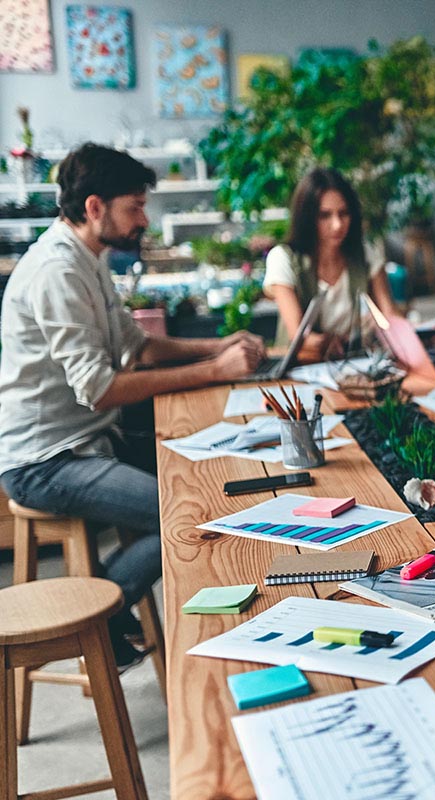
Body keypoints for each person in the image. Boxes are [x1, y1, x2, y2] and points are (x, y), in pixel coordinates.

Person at [0, 143, 266, 665]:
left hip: (89, 443)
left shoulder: (89, 259)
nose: (144, 218)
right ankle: (102, 611)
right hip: (46, 461)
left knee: (208, 481)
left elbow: (138, 347)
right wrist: (215, 371)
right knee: (192, 513)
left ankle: (110, 603)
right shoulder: (58, 271)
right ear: (95, 207)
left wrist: (220, 346)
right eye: (135, 207)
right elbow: (99, 389)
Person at [264, 167, 399, 361]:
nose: (337, 224)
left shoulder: (366, 252)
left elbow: (389, 314)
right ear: (307, 218)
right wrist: (328, 341)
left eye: (343, 213)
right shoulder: (283, 258)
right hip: (300, 369)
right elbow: (297, 336)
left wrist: (409, 336)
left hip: (355, 365)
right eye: (325, 215)